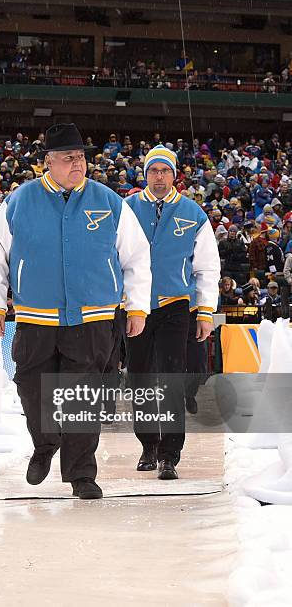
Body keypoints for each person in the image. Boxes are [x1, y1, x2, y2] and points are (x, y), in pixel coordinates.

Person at [0, 123, 152, 500]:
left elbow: (137, 258)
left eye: (82, 157)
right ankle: (45, 443)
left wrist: (137, 306)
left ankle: (81, 475)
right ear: (49, 162)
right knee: (31, 388)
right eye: (69, 157)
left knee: (82, 397)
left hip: (93, 318)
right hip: (35, 317)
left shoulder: (109, 202)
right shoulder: (19, 202)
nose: (78, 164)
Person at [126, 144, 220, 480]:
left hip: (175, 307)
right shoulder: (127, 209)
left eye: (165, 170)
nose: (159, 176)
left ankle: (169, 454)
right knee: (138, 378)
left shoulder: (193, 213)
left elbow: (208, 268)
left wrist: (206, 312)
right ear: (145, 174)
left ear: (175, 173)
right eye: (153, 170)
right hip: (135, 306)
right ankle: (148, 444)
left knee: (170, 378)